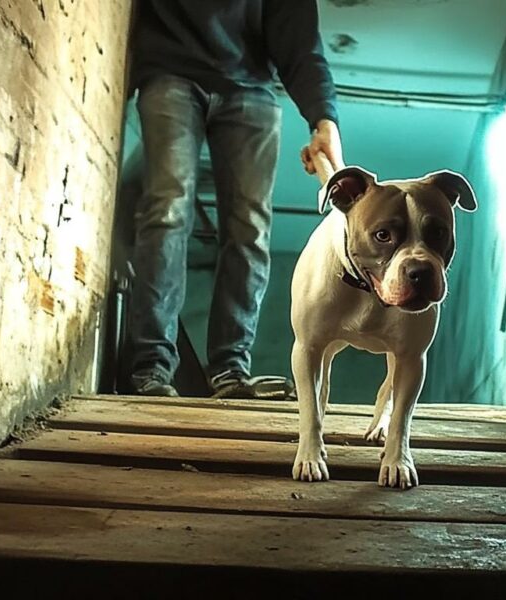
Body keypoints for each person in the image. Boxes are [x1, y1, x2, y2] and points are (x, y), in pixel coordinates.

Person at [127, 1, 344, 398]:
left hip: (250, 88)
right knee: (167, 212)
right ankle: (150, 369)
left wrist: (323, 119)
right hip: (170, 71)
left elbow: (300, 42)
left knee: (249, 230)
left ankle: (229, 371)